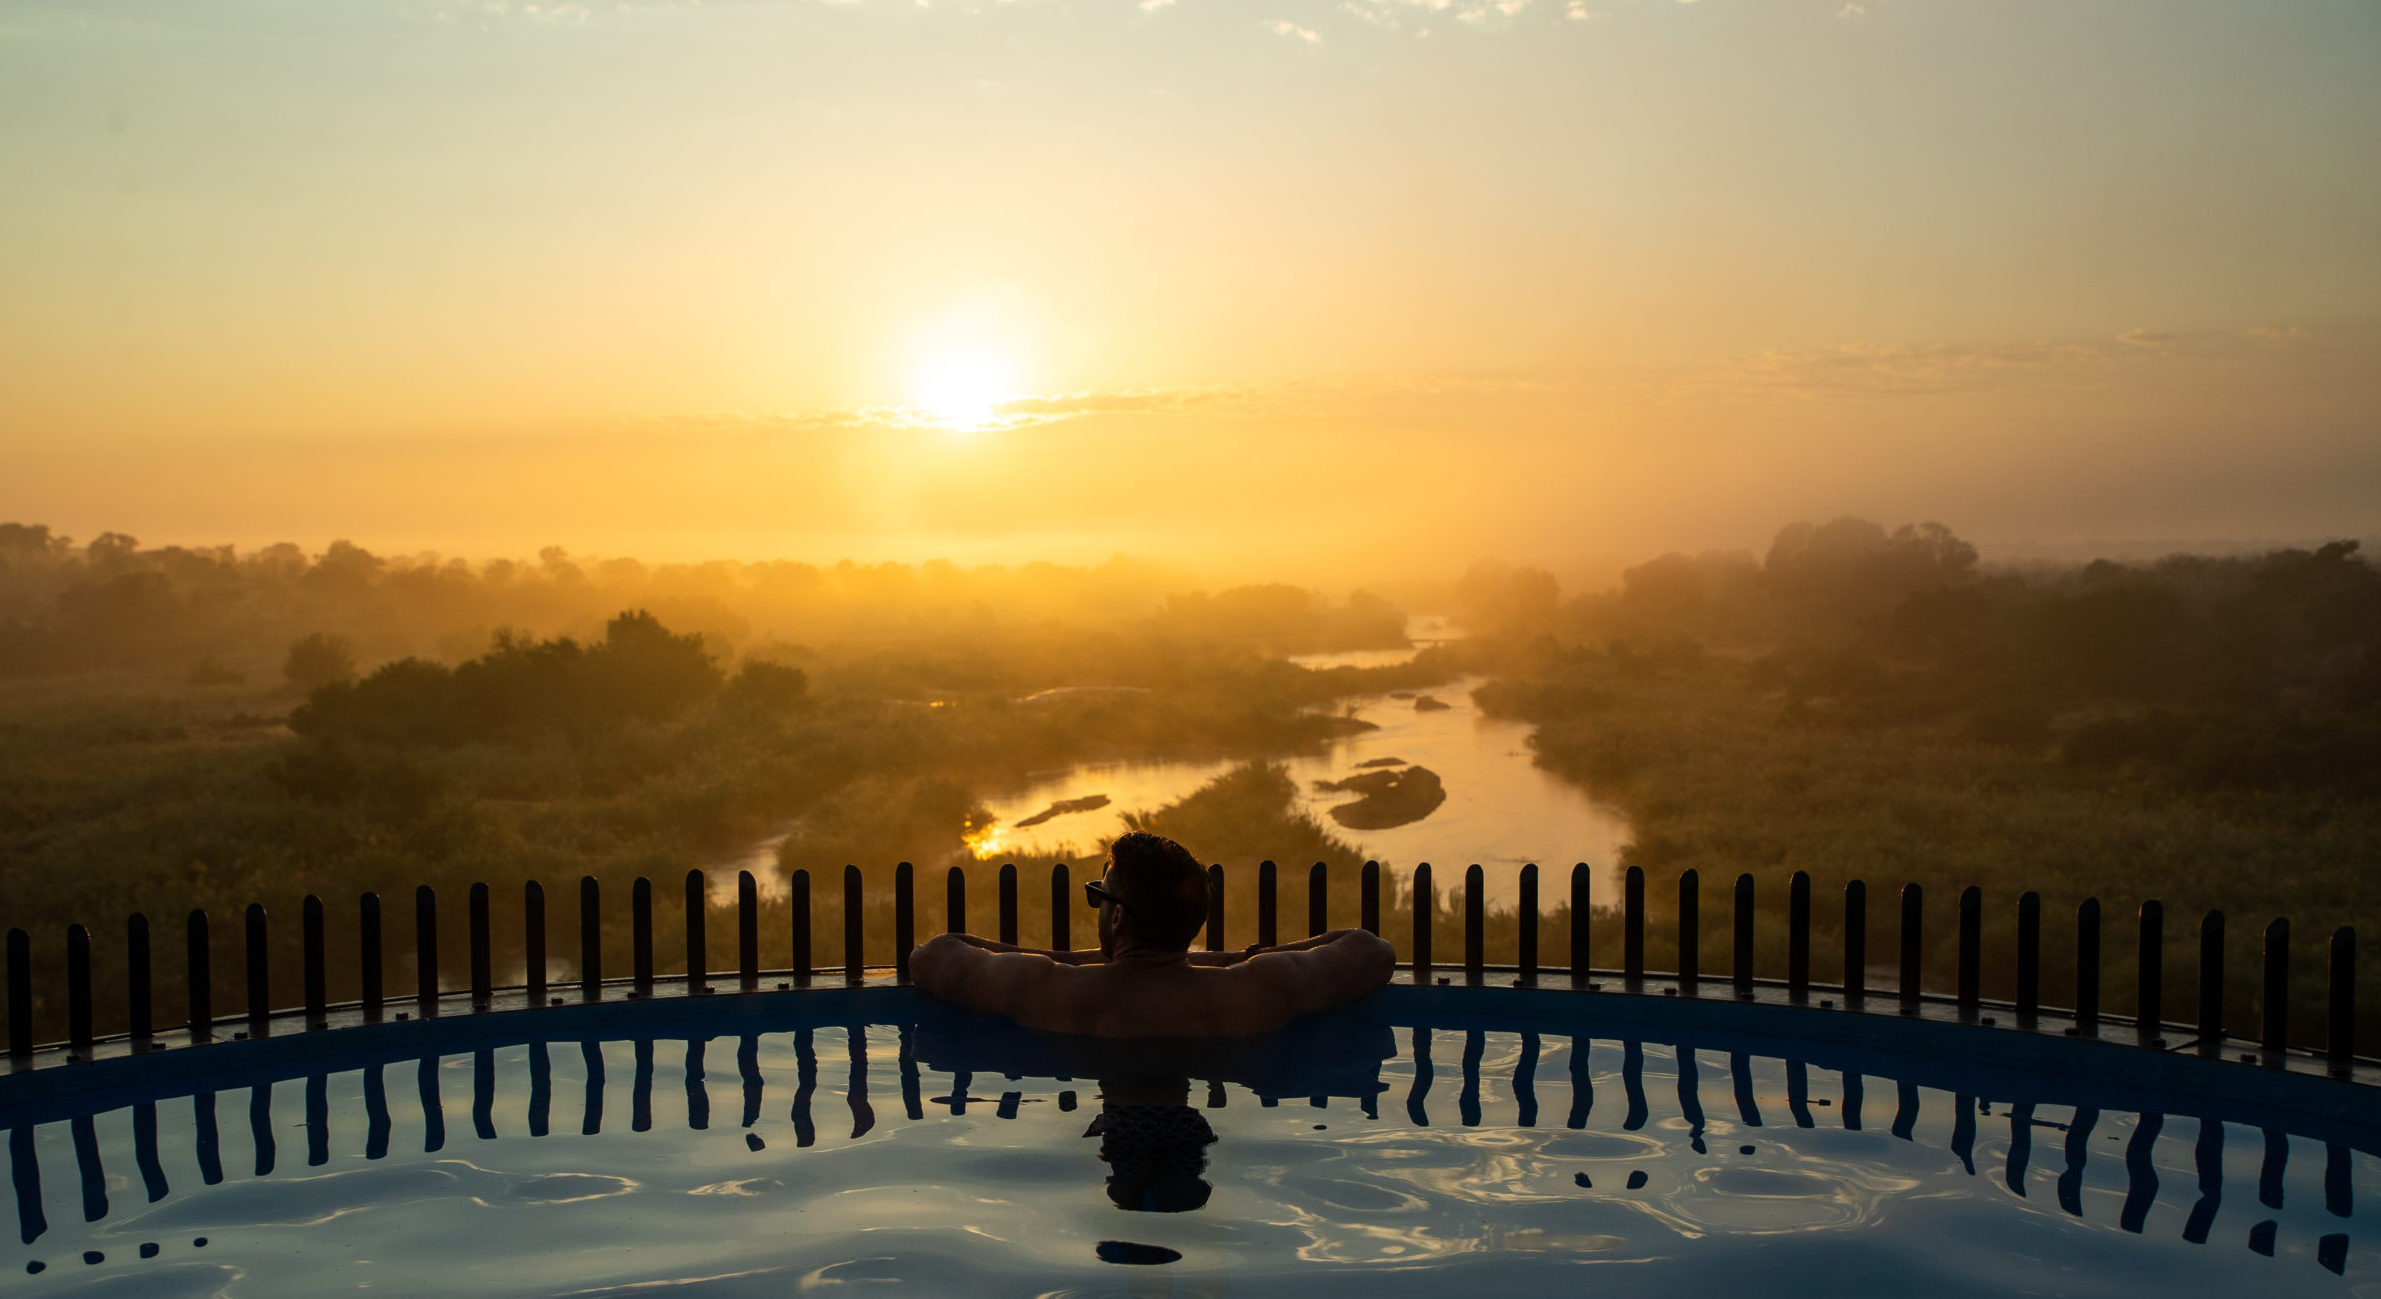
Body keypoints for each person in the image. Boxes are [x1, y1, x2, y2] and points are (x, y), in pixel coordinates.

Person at [910, 831, 1395, 1037]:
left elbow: (933, 955)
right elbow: (1370, 951)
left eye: (1101, 897)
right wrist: (1230, 962)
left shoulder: (1046, 988)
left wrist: (1065, 961)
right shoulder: (1257, 987)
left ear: (1117, 918)